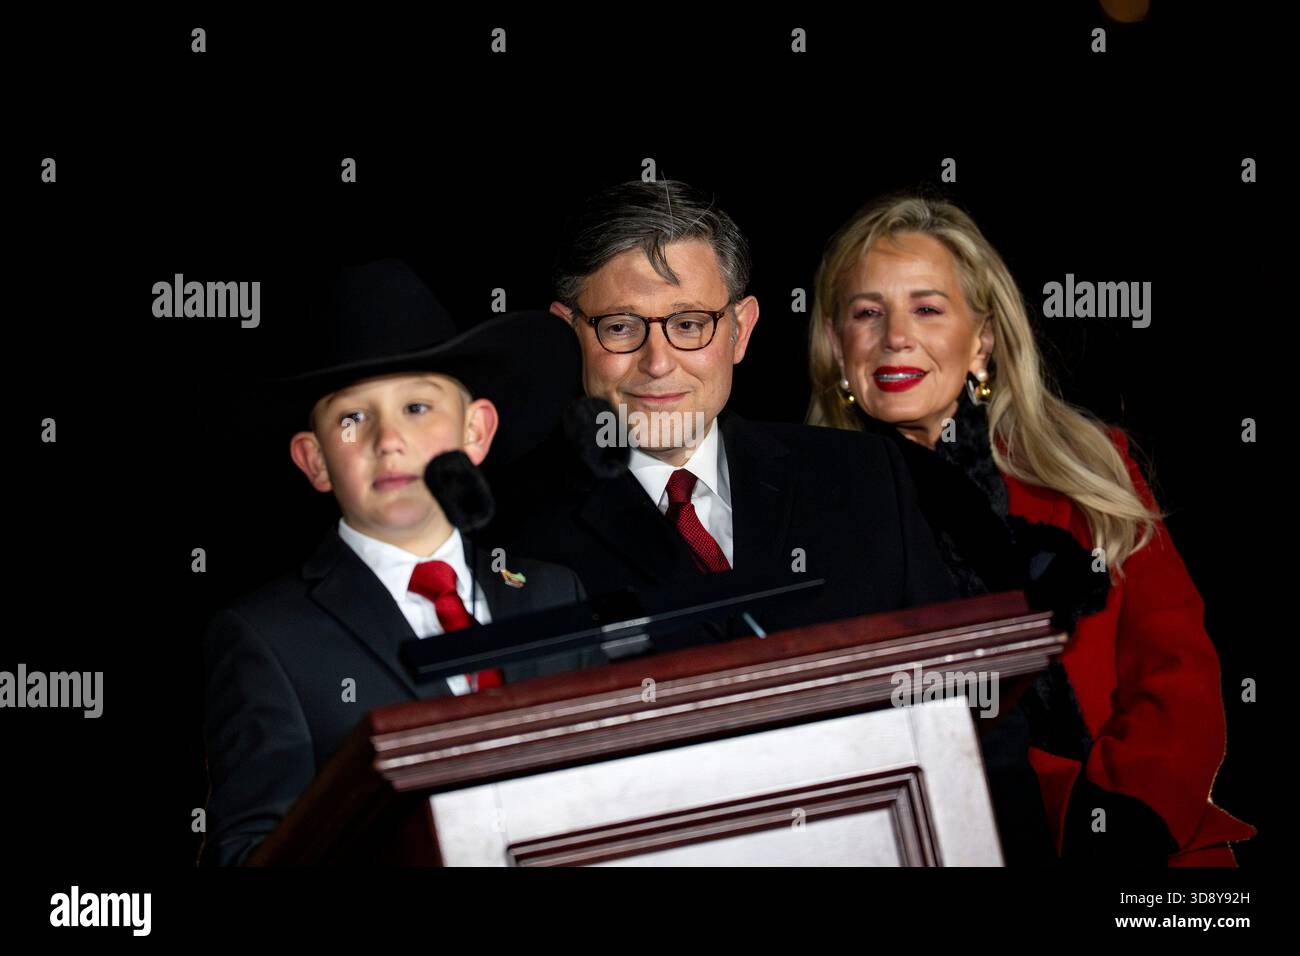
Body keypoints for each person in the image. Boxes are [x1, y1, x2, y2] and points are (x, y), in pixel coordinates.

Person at [807, 193, 1256, 865]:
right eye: (867, 313)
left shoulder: (1088, 460)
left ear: (981, 340)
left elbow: (1178, 666)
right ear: (839, 347)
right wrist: (1059, 811)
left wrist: (1127, 814)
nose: (895, 335)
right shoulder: (809, 508)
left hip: (1151, 846)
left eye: (927, 308)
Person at [198, 260, 604, 866]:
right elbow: (250, 855)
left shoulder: (553, 594)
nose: (387, 440)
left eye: (417, 408)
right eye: (352, 418)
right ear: (313, 460)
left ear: (476, 431)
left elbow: (609, 788)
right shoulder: (266, 640)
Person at [510, 179, 959, 637]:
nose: (659, 362)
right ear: (566, 337)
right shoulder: (513, 528)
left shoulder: (864, 478)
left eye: (689, 324)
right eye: (621, 327)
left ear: (740, 331)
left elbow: (957, 686)